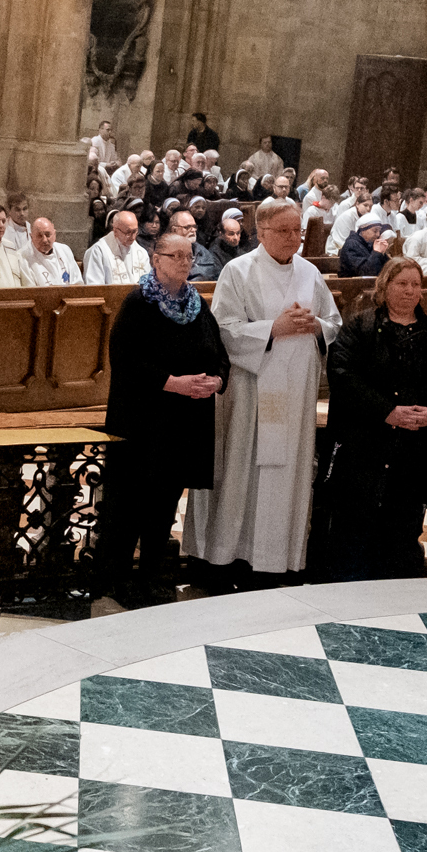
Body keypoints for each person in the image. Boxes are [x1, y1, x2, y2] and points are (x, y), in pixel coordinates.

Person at [191, 199, 340, 587]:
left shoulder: (310, 273)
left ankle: (277, 560)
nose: (294, 238)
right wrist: (272, 329)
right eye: (284, 231)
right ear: (261, 232)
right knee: (244, 471)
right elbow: (224, 330)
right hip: (250, 395)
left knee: (286, 475)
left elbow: (334, 324)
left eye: (297, 231)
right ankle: (229, 559)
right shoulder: (238, 271)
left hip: (296, 394)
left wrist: (317, 326)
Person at [96, 233, 228, 607]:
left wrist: (218, 380)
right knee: (130, 504)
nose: (185, 263)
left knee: (164, 505)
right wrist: (173, 383)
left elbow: (220, 354)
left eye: (189, 256)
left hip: (182, 425)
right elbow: (125, 360)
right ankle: (118, 580)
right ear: (157, 260)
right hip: (142, 423)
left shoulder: (197, 305)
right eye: (177, 256)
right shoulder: (139, 303)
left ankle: (151, 578)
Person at [325, 256, 427, 578]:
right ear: (384, 286)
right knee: (355, 532)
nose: (410, 290)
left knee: (403, 532)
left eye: (416, 284)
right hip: (366, 447)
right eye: (402, 283)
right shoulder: (360, 327)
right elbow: (342, 375)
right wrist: (386, 411)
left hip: (415, 453)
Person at [84, 207, 147, 284]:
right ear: (115, 231)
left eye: (135, 231)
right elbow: (94, 285)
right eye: (128, 232)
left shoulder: (141, 252)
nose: (133, 237)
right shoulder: (98, 251)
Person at [22, 215, 82, 284]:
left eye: (48, 235)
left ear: (54, 234)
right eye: (39, 235)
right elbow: (29, 289)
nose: (44, 240)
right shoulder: (23, 258)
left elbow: (77, 282)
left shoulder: (65, 250)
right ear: (31, 236)